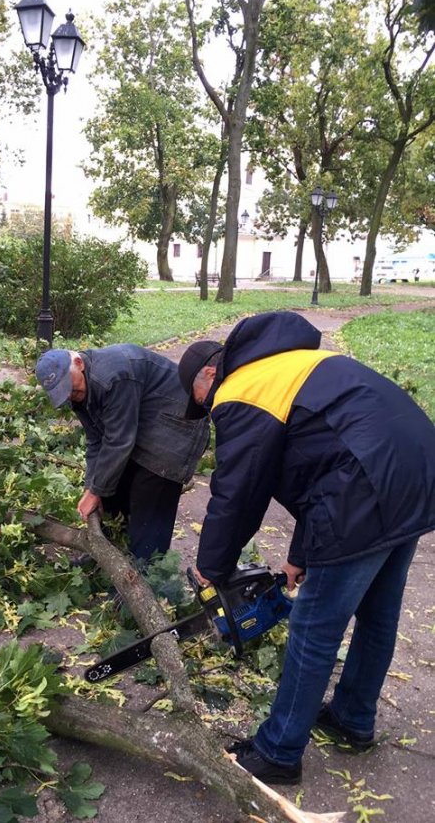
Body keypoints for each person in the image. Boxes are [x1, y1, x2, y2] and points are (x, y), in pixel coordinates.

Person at [177, 311, 435, 785]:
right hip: (415, 468)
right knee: (378, 613)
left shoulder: (241, 389)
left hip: (366, 485)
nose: (207, 411)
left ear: (210, 374)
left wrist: (212, 568)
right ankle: (353, 718)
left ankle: (278, 751)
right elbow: (321, 459)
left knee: (314, 626)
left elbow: (238, 491)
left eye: (200, 401)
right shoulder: (292, 363)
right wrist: (301, 553)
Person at [35, 345, 209, 562]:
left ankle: (146, 574)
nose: (71, 395)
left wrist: (95, 491)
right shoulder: (77, 391)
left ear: (79, 364)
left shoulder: (114, 376)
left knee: (149, 501)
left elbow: (119, 441)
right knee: (112, 488)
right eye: (64, 392)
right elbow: (95, 440)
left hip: (177, 427)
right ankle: (109, 558)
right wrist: (92, 487)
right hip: (141, 423)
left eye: (72, 388)